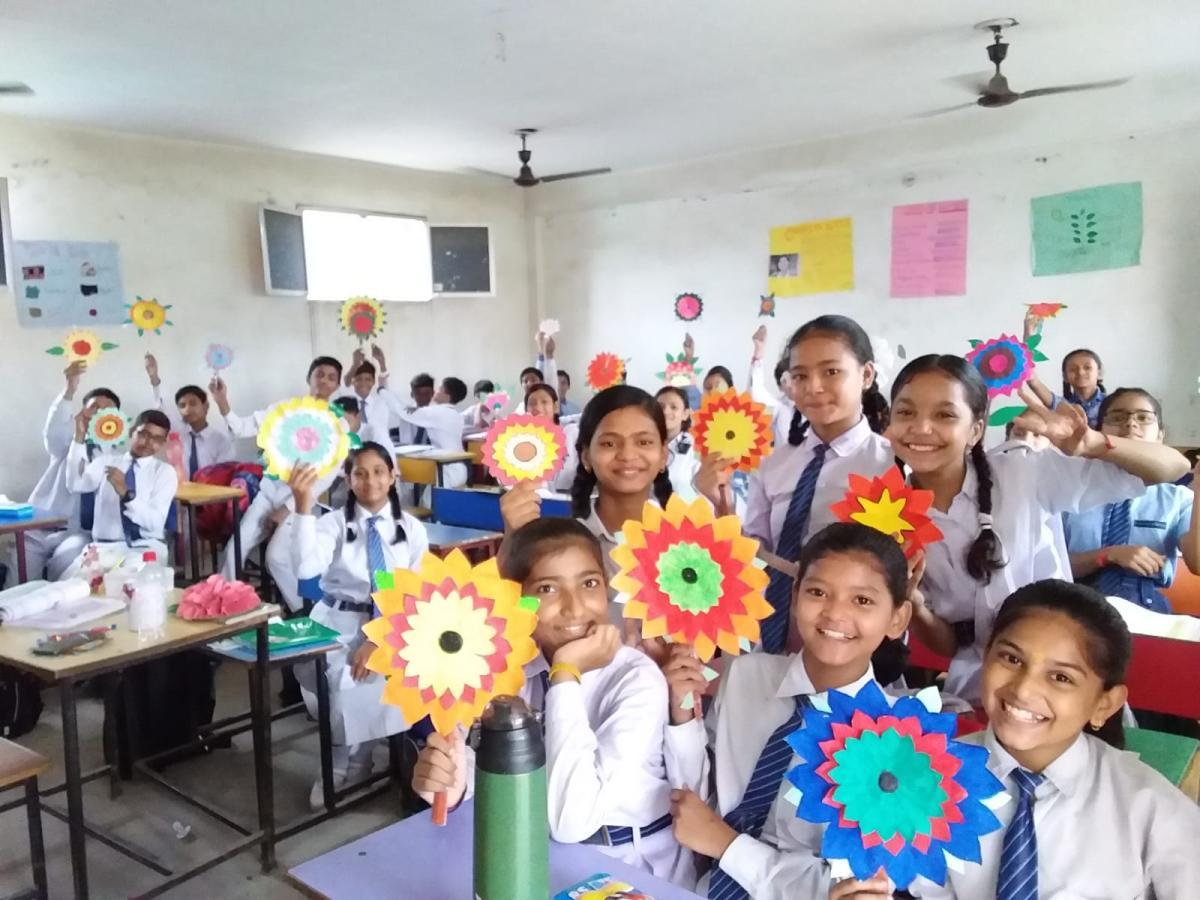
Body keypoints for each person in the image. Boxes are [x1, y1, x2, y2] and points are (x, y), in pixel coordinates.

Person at [887, 356, 1189, 703]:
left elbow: (1173, 467)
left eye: (945, 415)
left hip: (1059, 676)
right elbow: (951, 644)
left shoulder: (1023, 472)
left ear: (976, 429)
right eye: (906, 412)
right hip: (976, 688)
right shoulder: (888, 515)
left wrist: (1093, 444)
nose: (922, 428)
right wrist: (916, 603)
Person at [411, 518, 692, 886]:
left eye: (589, 583)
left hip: (627, 864)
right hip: (529, 849)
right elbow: (480, 773)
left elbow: (571, 821)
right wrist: (447, 780)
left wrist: (565, 674)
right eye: (547, 588)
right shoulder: (501, 670)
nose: (574, 608)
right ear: (515, 599)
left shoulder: (636, 679)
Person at [663, 523, 914, 899]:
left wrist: (726, 845)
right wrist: (683, 708)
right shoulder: (746, 675)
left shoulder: (898, 742)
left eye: (862, 600)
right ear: (795, 596)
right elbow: (695, 802)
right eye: (818, 592)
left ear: (897, 619)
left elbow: (846, 887)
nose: (835, 613)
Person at [910, 580, 1200, 899]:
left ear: (1104, 704)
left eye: (1061, 677)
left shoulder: (1149, 808)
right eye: (1011, 659)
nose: (1024, 690)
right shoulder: (923, 779)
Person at [741, 315, 892, 654]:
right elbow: (756, 544)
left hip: (852, 640)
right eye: (800, 376)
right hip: (769, 632)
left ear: (866, 375)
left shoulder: (890, 465)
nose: (813, 387)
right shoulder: (774, 463)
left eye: (831, 371)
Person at [288, 444, 427, 808]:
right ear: (348, 480)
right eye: (360, 473)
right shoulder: (333, 523)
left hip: (392, 623)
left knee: (370, 677)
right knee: (339, 682)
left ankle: (360, 762)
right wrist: (302, 507)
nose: (370, 481)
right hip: (338, 619)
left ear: (393, 476)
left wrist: (377, 638)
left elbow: (413, 591)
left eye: (379, 471)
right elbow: (305, 568)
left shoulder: (410, 528)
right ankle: (337, 763)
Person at [210, 355, 344, 611]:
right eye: (319, 374)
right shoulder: (285, 409)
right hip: (268, 492)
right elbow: (241, 428)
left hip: (300, 502)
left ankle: (307, 611)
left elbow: (324, 479)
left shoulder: (338, 424)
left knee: (276, 558)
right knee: (235, 549)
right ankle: (221, 605)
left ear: (337, 385)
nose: (324, 381)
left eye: (331, 378)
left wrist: (287, 508)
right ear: (309, 378)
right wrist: (222, 401)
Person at [1065, 388, 1199, 612]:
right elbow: (1050, 564)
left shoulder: (1177, 499)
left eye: (1143, 417)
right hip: (1074, 601)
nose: (1130, 424)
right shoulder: (1069, 491)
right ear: (1099, 431)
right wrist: (1107, 555)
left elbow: (1197, 564)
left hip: (1145, 606)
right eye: (1117, 417)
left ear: (1160, 435)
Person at [18, 362, 120, 583]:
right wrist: (69, 390)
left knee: (66, 575)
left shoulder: (116, 460)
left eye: (107, 411)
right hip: (37, 529)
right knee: (17, 588)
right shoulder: (66, 443)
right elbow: (53, 431)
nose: (99, 414)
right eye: (94, 408)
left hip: (76, 534)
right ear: (82, 413)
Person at [55, 409, 178, 576]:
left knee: (127, 583)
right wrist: (79, 437)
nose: (149, 443)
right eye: (144, 434)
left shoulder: (164, 472)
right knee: (72, 584)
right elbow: (74, 484)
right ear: (131, 431)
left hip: (145, 548)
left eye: (156, 439)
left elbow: (155, 523)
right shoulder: (106, 462)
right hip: (103, 548)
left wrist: (127, 494)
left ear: (163, 443)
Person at [144, 353, 234, 478]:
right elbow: (160, 408)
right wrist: (154, 379)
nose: (187, 409)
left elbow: (224, 475)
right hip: (179, 488)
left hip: (211, 489)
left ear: (206, 406)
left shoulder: (220, 440)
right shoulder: (177, 435)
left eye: (193, 403)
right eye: (182, 406)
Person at [525, 382, 579, 493]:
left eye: (544, 402)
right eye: (532, 403)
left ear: (555, 407)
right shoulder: (522, 443)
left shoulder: (572, 433)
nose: (538, 407)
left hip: (571, 498)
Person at [655, 386, 699, 502]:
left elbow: (704, 491)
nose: (665, 412)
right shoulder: (643, 445)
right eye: (660, 407)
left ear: (685, 414)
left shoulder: (696, 448)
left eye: (673, 407)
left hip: (685, 510)